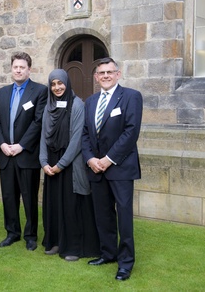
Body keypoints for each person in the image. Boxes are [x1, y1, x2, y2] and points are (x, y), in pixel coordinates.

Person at [81, 57, 143, 281]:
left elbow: (130, 132)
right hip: (96, 169)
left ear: (118, 74)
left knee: (124, 217)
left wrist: (107, 159)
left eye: (110, 72)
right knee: (103, 215)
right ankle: (108, 253)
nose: (105, 76)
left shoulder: (131, 97)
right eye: (101, 73)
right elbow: (85, 134)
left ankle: (125, 263)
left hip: (120, 168)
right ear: (96, 77)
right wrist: (90, 159)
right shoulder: (90, 101)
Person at [40, 69, 100, 262]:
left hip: (70, 164)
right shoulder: (49, 106)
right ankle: (56, 241)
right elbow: (43, 136)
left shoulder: (77, 105)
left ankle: (73, 246)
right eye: (53, 84)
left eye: (60, 83)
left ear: (67, 83)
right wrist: (44, 162)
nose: (57, 88)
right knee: (54, 205)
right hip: (50, 162)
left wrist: (60, 165)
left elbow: (77, 140)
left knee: (70, 206)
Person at [0, 52, 47, 251]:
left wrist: (21, 145)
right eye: (15, 67)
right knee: (9, 196)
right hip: (6, 154)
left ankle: (31, 235)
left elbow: (38, 122)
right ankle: (12, 233)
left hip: (26, 155)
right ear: (11, 69)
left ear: (29, 69)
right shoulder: (2, 93)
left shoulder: (40, 91)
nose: (18, 70)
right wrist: (1, 144)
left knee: (29, 197)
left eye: (22, 67)